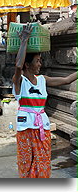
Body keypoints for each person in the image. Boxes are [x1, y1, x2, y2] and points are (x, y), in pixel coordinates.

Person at [12, 23, 77, 178]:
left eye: (40, 60)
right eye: (37, 61)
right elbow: (18, 65)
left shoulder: (42, 79)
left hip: (42, 127)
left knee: (42, 162)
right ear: (28, 65)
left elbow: (66, 79)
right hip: (26, 128)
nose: (40, 64)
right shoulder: (19, 81)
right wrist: (24, 40)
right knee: (26, 162)